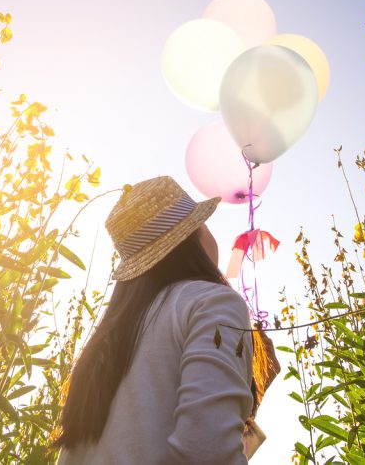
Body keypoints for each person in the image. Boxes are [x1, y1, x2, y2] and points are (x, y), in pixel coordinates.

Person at [55, 176, 272, 464]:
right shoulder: (213, 302)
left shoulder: (107, 339)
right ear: (192, 236)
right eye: (202, 222)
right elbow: (206, 452)